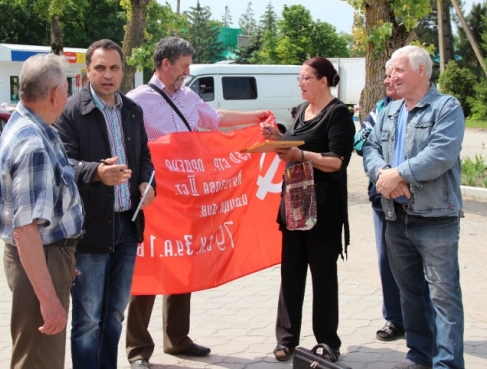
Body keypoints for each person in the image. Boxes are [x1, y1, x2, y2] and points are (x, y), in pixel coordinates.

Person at [125, 37, 271, 368]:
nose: (188, 72)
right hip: (154, 200)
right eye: (184, 65)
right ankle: (137, 349)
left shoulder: (188, 97)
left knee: (182, 264)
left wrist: (254, 118)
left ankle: (177, 339)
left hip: (186, 199)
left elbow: (214, 119)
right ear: (165, 64)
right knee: (149, 269)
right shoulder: (136, 101)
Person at [54, 39, 155, 369]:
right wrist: (96, 172)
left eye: (114, 68)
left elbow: (144, 156)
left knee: (114, 314)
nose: (107, 75)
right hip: (90, 229)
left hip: (127, 225)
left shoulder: (132, 110)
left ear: (123, 71)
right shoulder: (71, 111)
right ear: (87, 71)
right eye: (100, 68)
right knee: (88, 320)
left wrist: (147, 182)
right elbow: (62, 165)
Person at [363, 46, 465, 369]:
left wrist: (399, 174)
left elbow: (441, 154)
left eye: (398, 70)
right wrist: (383, 173)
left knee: (443, 296)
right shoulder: (390, 110)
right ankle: (420, 357)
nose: (391, 77)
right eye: (391, 71)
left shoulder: (446, 107)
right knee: (410, 294)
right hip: (395, 216)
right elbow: (370, 147)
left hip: (435, 218)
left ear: (421, 70)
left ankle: (447, 363)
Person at [261, 57, 355, 363]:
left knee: (323, 276)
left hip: (323, 209)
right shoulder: (302, 110)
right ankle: (286, 339)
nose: (300, 83)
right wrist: (277, 139)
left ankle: (327, 341)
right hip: (294, 204)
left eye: (306, 78)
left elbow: (337, 161)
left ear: (323, 81)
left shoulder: (338, 114)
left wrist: (301, 155)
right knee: (291, 273)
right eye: (299, 78)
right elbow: (294, 146)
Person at [0, 54, 83, 369]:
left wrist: (64, 257)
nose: (68, 98)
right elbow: (25, 229)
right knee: (38, 359)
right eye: (67, 91)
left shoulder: (30, 125)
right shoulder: (34, 144)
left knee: (39, 354)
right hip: (40, 256)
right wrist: (48, 299)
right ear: (55, 94)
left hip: (47, 256)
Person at [353, 61, 405, 342]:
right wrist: (386, 173)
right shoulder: (380, 108)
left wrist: (402, 174)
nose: (386, 81)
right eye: (384, 76)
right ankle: (395, 319)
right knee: (387, 260)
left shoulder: (434, 107)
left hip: (417, 198)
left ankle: (424, 322)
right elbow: (360, 143)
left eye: (391, 76)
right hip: (382, 197)